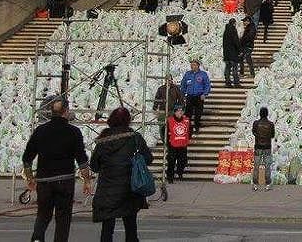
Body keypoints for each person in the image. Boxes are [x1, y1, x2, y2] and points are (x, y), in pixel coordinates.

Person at [22, 99, 90, 242]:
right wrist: (87, 181)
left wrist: (30, 179)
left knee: (43, 215)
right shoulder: (73, 132)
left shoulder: (40, 131)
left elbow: (27, 158)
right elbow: (82, 159)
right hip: (65, 181)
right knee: (63, 219)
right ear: (66, 111)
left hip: (44, 181)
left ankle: (37, 239)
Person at [91, 107, 152, 242]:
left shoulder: (103, 140)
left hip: (108, 190)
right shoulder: (135, 138)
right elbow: (149, 158)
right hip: (130, 189)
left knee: (107, 229)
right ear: (128, 120)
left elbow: (94, 166)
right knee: (131, 227)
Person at [180, 59, 210, 135]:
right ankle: (189, 129)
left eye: (193, 65)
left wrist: (204, 94)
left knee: (198, 113)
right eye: (191, 65)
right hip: (190, 96)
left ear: (197, 65)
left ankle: (196, 127)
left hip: (199, 97)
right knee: (188, 114)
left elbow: (207, 85)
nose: (192, 66)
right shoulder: (188, 74)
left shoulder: (203, 74)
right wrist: (183, 94)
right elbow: (183, 84)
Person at [153, 75, 185, 144]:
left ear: (172, 80)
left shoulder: (175, 88)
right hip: (163, 110)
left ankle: (172, 143)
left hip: (172, 111)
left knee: (172, 128)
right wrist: (155, 108)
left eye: (170, 80)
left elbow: (181, 99)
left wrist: (180, 109)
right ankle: (165, 142)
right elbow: (157, 99)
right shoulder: (161, 89)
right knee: (162, 127)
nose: (168, 81)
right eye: (167, 80)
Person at [252, 107, 276, 191]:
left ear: (260, 114)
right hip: (267, 147)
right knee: (267, 166)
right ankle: (268, 184)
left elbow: (253, 132)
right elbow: (272, 135)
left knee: (256, 166)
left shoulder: (256, 123)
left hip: (258, 147)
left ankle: (255, 184)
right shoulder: (271, 124)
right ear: (267, 114)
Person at [165, 105, 190, 182]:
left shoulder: (186, 120)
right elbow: (164, 131)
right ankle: (170, 177)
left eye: (181, 111)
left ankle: (180, 172)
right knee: (171, 161)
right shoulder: (170, 120)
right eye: (178, 111)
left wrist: (188, 138)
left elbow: (190, 130)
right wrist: (166, 141)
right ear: (175, 112)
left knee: (183, 160)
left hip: (183, 144)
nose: (180, 113)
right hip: (172, 144)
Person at [222, 19, 241, 88]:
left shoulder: (226, 31)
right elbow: (236, 41)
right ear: (234, 23)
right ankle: (236, 83)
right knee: (235, 68)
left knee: (227, 68)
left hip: (226, 54)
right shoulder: (233, 30)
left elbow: (224, 43)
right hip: (233, 53)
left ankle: (228, 82)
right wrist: (239, 50)